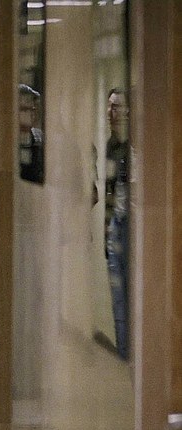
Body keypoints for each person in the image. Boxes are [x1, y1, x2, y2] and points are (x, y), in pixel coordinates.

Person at [104, 87, 130, 360]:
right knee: (118, 304)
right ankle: (123, 358)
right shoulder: (111, 145)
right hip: (115, 227)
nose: (111, 112)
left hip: (130, 228)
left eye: (117, 106)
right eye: (110, 106)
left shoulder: (132, 145)